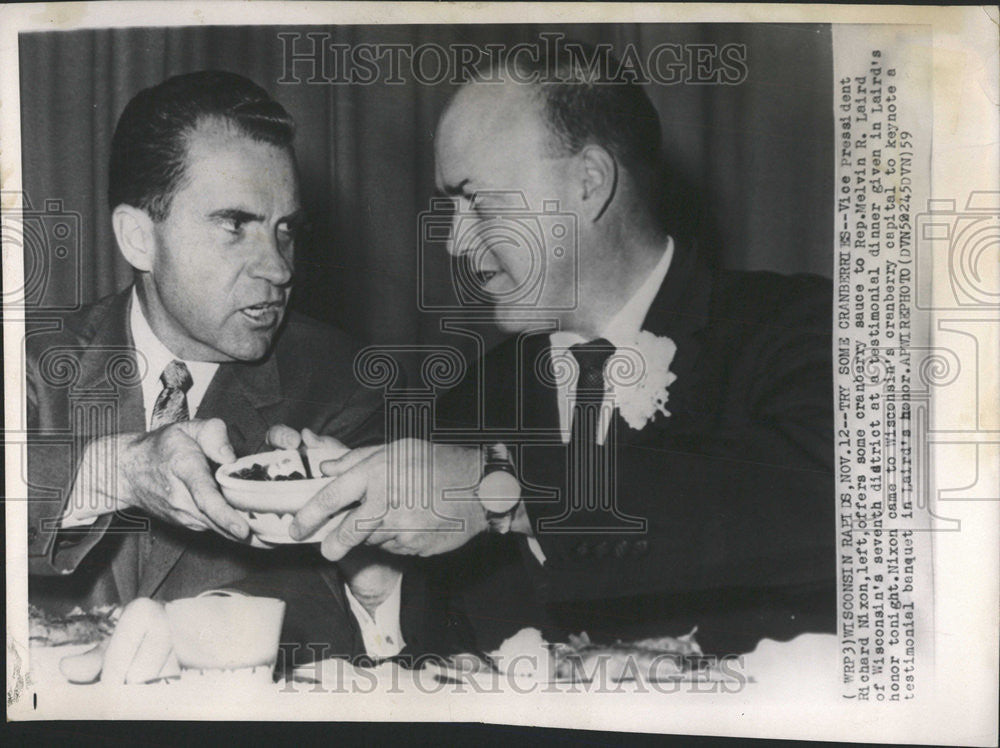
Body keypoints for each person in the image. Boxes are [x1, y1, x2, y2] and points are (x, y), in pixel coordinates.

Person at [288, 45, 836, 656]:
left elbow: (822, 507)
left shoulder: (795, 327)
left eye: (475, 198)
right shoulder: (476, 400)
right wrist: (376, 564)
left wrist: (500, 486)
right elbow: (453, 645)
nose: (454, 242)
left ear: (588, 183)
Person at [26, 71, 432, 681]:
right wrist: (120, 470)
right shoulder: (29, 365)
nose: (277, 268)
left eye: (285, 229)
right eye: (234, 225)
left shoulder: (349, 385)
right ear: (139, 238)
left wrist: (376, 580)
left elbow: (370, 635)